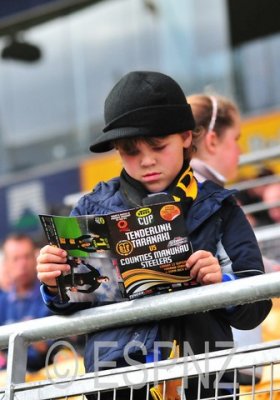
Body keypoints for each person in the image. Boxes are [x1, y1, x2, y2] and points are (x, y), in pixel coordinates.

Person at [37, 71, 271, 400]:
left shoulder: (221, 206)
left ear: (188, 137)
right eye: (130, 150)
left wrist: (223, 284)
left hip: (206, 383)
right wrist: (54, 284)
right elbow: (68, 308)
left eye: (158, 145)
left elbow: (256, 306)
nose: (147, 160)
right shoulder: (90, 210)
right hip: (117, 385)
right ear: (116, 150)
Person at [0, 233, 52, 372]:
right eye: (16, 259)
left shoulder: (51, 297)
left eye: (27, 257)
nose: (22, 264)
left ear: (35, 259)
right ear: (6, 264)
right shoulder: (2, 302)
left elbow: (59, 348)